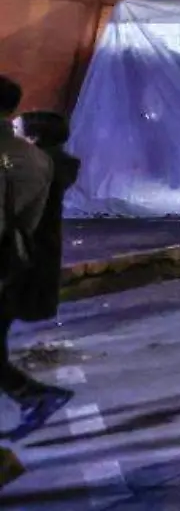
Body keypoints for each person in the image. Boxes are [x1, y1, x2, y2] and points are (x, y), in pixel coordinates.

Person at [2, 102, 72, 443]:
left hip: (16, 269)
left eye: (15, 132)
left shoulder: (35, 174)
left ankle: (36, 398)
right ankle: (34, 398)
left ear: (31, 139)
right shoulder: (44, 170)